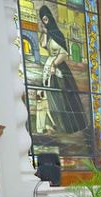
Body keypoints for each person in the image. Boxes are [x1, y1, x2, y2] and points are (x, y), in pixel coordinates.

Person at [37, 5, 87, 134]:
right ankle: (58, 125)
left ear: (50, 18)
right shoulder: (49, 33)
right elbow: (43, 45)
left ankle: (70, 126)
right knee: (52, 96)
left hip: (59, 68)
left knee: (63, 97)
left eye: (46, 19)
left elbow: (64, 53)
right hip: (50, 67)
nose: (45, 22)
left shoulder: (58, 34)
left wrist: (54, 64)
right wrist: (44, 32)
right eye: (43, 20)